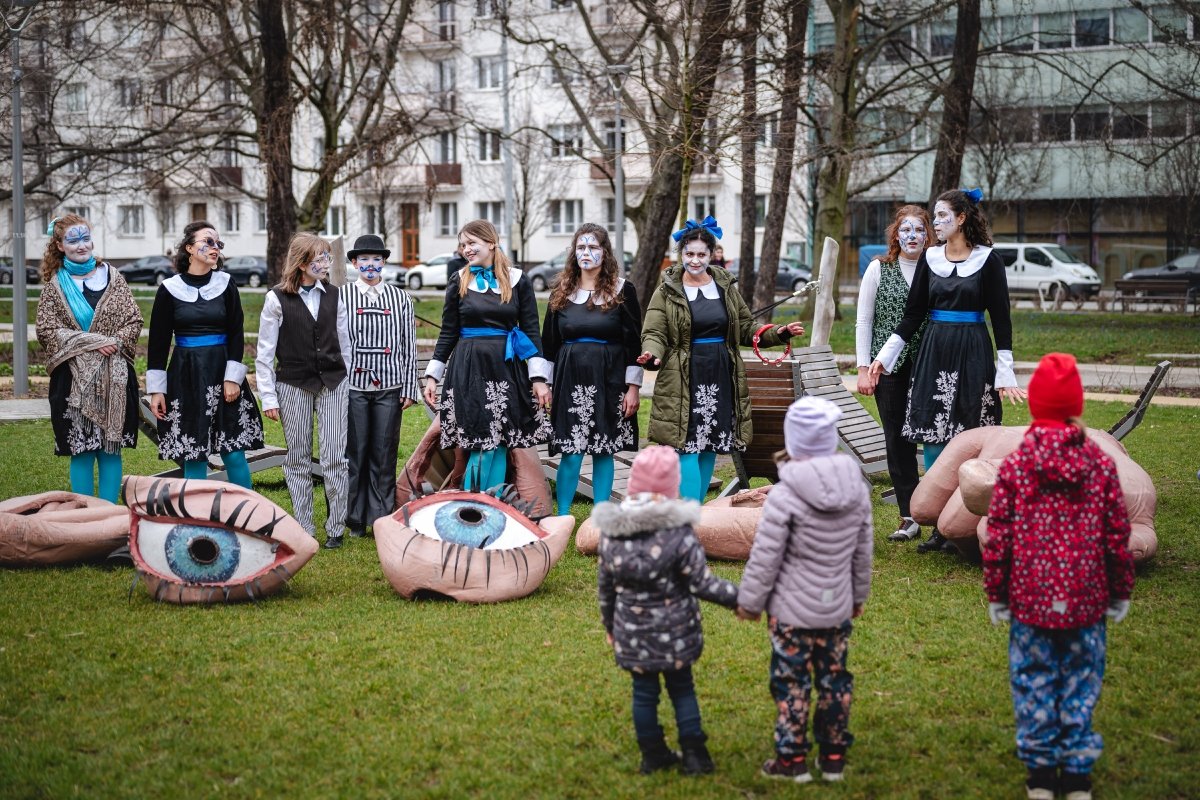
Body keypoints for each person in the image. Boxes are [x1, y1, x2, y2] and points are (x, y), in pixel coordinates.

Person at [983, 353, 1134, 800]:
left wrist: (997, 591)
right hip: (1087, 598)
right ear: (1075, 406)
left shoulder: (1013, 467)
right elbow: (1116, 533)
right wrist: (1119, 588)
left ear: (1034, 407)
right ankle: (1076, 772)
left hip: (1029, 598)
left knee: (1033, 677)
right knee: (1081, 680)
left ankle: (1041, 773)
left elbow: (1000, 536)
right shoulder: (1100, 465)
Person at [868, 188, 1026, 553]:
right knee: (935, 435)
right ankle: (940, 526)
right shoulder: (930, 258)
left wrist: (1005, 372)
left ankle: (964, 524)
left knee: (970, 435)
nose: (933, 224)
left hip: (973, 351)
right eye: (934, 217)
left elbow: (1001, 320)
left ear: (961, 219)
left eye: (940, 216)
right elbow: (913, 314)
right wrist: (885, 356)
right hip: (934, 352)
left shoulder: (989, 261)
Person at [736, 396, 873, 783]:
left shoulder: (783, 495)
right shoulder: (856, 490)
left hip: (791, 615)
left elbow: (766, 556)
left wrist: (749, 601)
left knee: (792, 683)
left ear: (793, 443)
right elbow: (862, 552)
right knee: (834, 680)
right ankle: (833, 758)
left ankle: (791, 760)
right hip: (837, 611)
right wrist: (857, 596)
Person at [593, 445, 739, 776]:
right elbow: (702, 583)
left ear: (633, 484)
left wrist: (611, 626)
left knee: (643, 695)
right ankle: (695, 756)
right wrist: (741, 599)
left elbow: (606, 589)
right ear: (672, 488)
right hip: (676, 634)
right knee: (682, 689)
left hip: (632, 633)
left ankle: (652, 755)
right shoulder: (680, 534)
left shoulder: (611, 534)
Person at [638, 216, 804, 502]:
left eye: (701, 254)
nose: (695, 260)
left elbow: (746, 327)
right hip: (684, 375)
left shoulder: (724, 286)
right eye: (689, 254)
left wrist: (779, 333)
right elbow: (654, 331)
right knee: (687, 447)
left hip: (720, 373)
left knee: (708, 447)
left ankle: (700, 512)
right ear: (681, 255)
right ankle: (690, 512)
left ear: (711, 254)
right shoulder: (666, 290)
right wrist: (652, 354)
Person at [422, 219, 552, 492]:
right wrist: (433, 376)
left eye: (472, 243)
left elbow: (531, 331)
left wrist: (539, 378)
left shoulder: (518, 280)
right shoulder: (458, 280)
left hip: (507, 369)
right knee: (481, 441)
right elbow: (448, 332)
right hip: (469, 370)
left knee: (501, 442)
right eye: (463, 244)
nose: (466, 249)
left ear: (491, 243)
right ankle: (470, 505)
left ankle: (489, 507)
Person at [147, 221, 263, 488]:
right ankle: (196, 519)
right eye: (208, 241)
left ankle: (246, 516)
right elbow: (158, 342)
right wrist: (157, 390)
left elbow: (236, 333)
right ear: (189, 247)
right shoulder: (169, 289)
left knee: (233, 451)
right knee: (193, 454)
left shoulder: (226, 284)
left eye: (218, 244)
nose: (215, 248)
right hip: (186, 376)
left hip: (223, 374)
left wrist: (233, 378)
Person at [35, 214, 142, 502]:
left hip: (114, 377)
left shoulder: (114, 278)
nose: (81, 245)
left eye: (85, 238)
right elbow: (46, 329)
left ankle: (107, 514)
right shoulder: (55, 288)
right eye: (73, 240)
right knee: (81, 449)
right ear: (59, 245)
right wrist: (94, 342)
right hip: (72, 381)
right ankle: (85, 515)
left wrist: (116, 342)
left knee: (110, 449)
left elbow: (133, 320)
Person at [256, 233, 352, 548]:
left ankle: (336, 527)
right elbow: (265, 353)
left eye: (327, 257)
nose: (325, 263)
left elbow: (344, 342)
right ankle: (304, 527)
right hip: (293, 383)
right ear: (301, 261)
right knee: (297, 456)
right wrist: (268, 397)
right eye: (319, 257)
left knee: (334, 456)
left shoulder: (335, 295)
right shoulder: (276, 299)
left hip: (333, 383)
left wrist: (346, 379)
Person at [540, 223, 642, 514]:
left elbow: (635, 344)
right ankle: (561, 516)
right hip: (569, 378)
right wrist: (544, 385)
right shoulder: (562, 291)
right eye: (581, 247)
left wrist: (632, 388)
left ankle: (600, 516)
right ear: (574, 252)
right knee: (571, 452)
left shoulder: (623, 290)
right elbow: (549, 343)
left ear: (605, 252)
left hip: (609, 379)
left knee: (603, 450)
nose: (586, 252)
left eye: (593, 247)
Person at [855, 204, 930, 542]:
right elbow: (864, 321)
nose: (912, 236)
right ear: (896, 235)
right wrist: (862, 368)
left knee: (934, 436)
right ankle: (908, 514)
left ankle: (939, 511)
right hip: (887, 366)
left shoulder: (937, 268)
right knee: (897, 439)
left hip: (930, 363)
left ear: (928, 234)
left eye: (918, 229)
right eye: (906, 230)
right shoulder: (878, 269)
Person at [341, 234, 420, 538]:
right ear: (354, 263)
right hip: (354, 385)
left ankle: (380, 517)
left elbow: (408, 345)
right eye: (364, 259)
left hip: (390, 385)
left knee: (384, 452)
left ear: (384, 262)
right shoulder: (342, 296)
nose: (370, 265)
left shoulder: (400, 298)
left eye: (376, 259)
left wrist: (409, 386)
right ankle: (354, 517)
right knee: (356, 452)